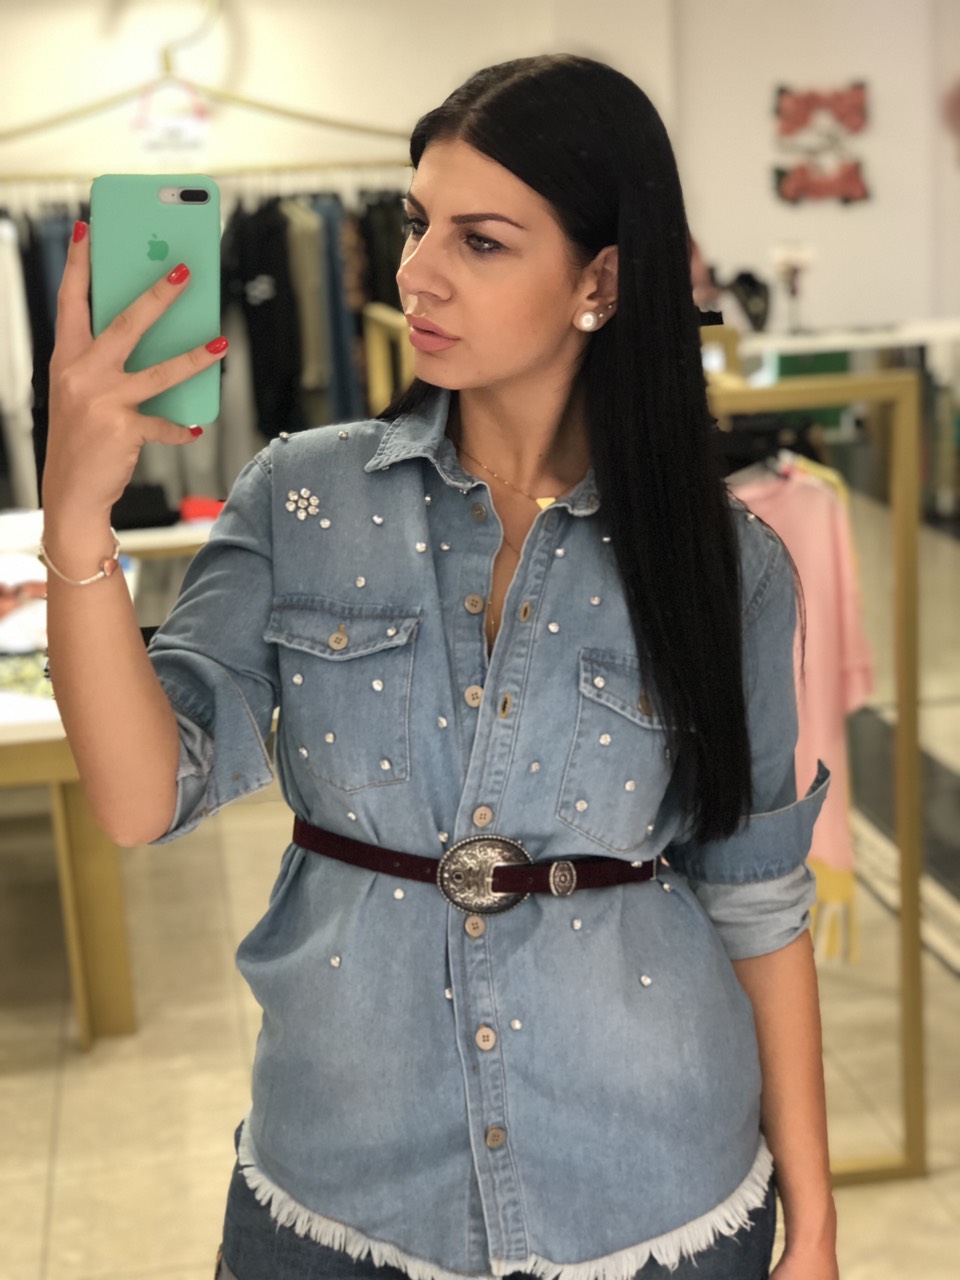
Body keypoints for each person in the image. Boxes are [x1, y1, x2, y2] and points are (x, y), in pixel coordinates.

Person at [42, 54, 837, 1280]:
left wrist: (816, 1225)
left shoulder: (725, 563)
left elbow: (756, 901)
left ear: (600, 279)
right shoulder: (301, 495)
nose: (415, 270)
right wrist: (76, 521)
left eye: (480, 240)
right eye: (418, 223)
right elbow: (144, 796)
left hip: (655, 1191)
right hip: (343, 1187)